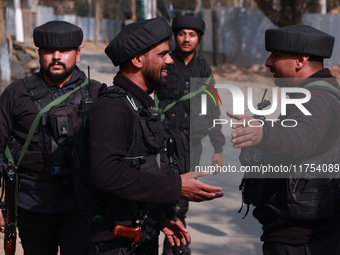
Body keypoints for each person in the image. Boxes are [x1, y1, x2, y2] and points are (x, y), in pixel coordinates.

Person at [85, 17, 224, 255]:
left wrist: (160, 218)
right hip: (113, 243)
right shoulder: (113, 108)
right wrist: (175, 186)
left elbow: (140, 168)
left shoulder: (139, 105)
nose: (170, 60)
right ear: (138, 59)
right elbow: (107, 174)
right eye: (162, 55)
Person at [228, 24, 340, 254]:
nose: (268, 62)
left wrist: (264, 133)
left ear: (300, 60)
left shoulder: (317, 99)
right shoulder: (312, 94)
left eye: (276, 56)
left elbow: (302, 136)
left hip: (302, 242)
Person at [0, 20, 102, 255]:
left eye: (64, 51)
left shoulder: (96, 93)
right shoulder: (16, 94)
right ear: (39, 54)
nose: (56, 56)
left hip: (81, 207)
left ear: (77, 54)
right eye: (48, 51)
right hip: (31, 206)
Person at [154, 14, 225, 255]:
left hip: (192, 142)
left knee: (183, 194)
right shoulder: (165, 61)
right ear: (175, 36)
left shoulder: (203, 67)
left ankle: (176, 245)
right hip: (162, 139)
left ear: (199, 38)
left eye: (192, 35)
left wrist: (218, 147)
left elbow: (213, 105)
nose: (186, 39)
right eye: (182, 34)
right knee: (160, 190)